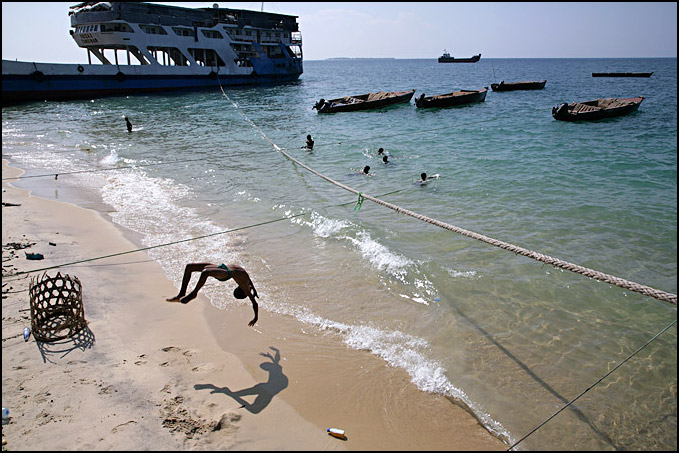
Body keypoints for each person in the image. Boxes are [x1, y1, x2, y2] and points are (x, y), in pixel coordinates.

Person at [166, 262, 259, 326]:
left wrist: (255, 317)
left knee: (206, 273)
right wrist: (255, 291)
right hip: (221, 266)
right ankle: (181, 293)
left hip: (226, 273)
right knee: (189, 267)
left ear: (242, 290)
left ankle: (194, 293)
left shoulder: (245, 287)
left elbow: (254, 303)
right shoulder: (248, 283)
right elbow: (250, 283)